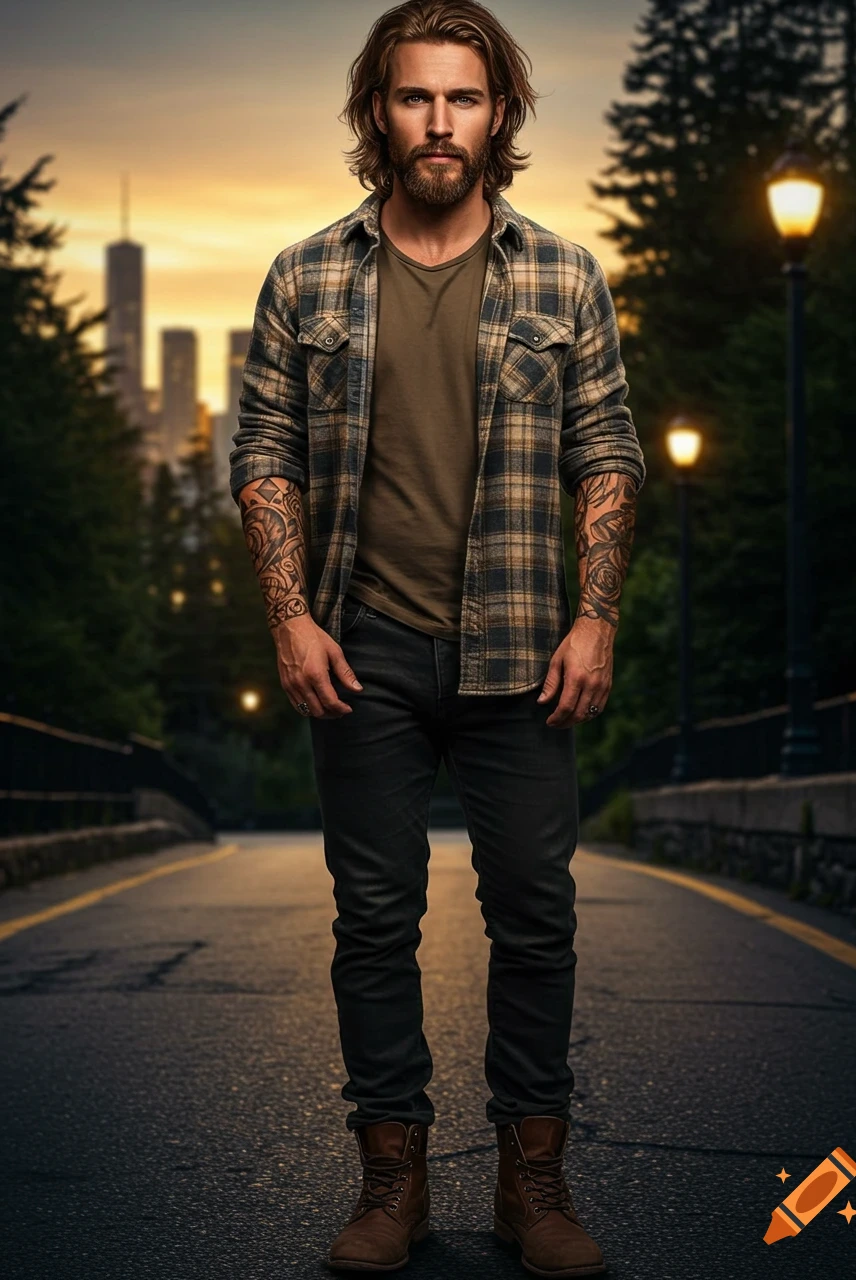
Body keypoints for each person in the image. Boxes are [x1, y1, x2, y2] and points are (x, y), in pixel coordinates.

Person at [230, 1, 645, 1274]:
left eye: (462, 99)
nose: (438, 123)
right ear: (377, 113)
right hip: (364, 645)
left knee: (531, 908)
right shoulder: (306, 276)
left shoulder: (562, 274)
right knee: (373, 916)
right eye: (414, 98)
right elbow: (263, 454)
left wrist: (595, 613)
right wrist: (291, 616)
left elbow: (607, 452)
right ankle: (389, 1178)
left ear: (499, 114)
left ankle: (534, 1181)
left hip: (522, 645)